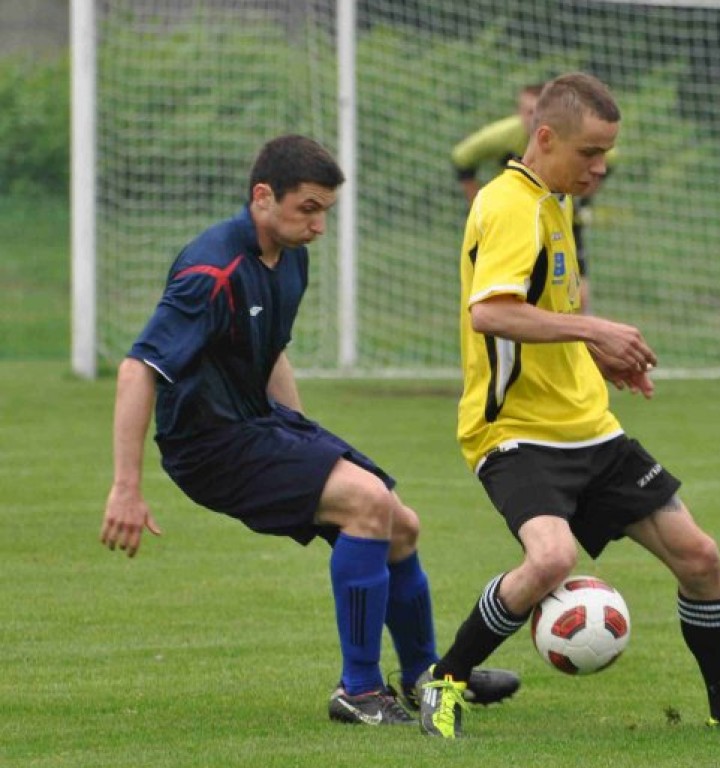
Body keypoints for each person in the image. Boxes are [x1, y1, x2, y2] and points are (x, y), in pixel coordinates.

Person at [416, 73, 720, 738]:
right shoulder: (509, 205)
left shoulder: (555, 200)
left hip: (589, 428)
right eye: (590, 152)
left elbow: (544, 314)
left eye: (606, 153)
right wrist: (596, 329)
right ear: (545, 138)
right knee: (551, 559)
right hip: (515, 431)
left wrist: (596, 357)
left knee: (700, 557)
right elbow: (491, 313)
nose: (600, 167)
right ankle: (445, 681)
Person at [99, 134, 518, 727]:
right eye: (308, 209)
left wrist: (301, 434)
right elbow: (138, 368)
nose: (319, 225)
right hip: (209, 445)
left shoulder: (291, 256)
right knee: (368, 505)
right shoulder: (210, 271)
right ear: (262, 197)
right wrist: (126, 488)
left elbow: (270, 351)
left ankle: (424, 675)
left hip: (258, 425)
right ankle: (359, 691)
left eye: (325, 211)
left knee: (400, 524)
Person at [451, 82, 611, 313]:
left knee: (575, 294)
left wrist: (583, 195)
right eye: (528, 112)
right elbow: (462, 158)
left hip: (562, 218)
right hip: (518, 219)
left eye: (539, 112)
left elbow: (606, 161)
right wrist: (475, 202)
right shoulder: (503, 140)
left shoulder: (574, 153)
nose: (533, 119)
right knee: (516, 293)